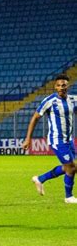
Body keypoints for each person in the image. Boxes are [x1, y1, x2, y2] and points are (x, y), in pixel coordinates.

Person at [23, 73, 77, 203]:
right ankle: (68, 197)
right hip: (57, 140)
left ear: (67, 86)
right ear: (55, 87)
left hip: (69, 140)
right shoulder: (49, 101)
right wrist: (28, 138)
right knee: (71, 167)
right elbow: (35, 118)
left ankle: (40, 179)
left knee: (69, 167)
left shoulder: (73, 99)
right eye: (58, 85)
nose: (61, 87)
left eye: (63, 85)